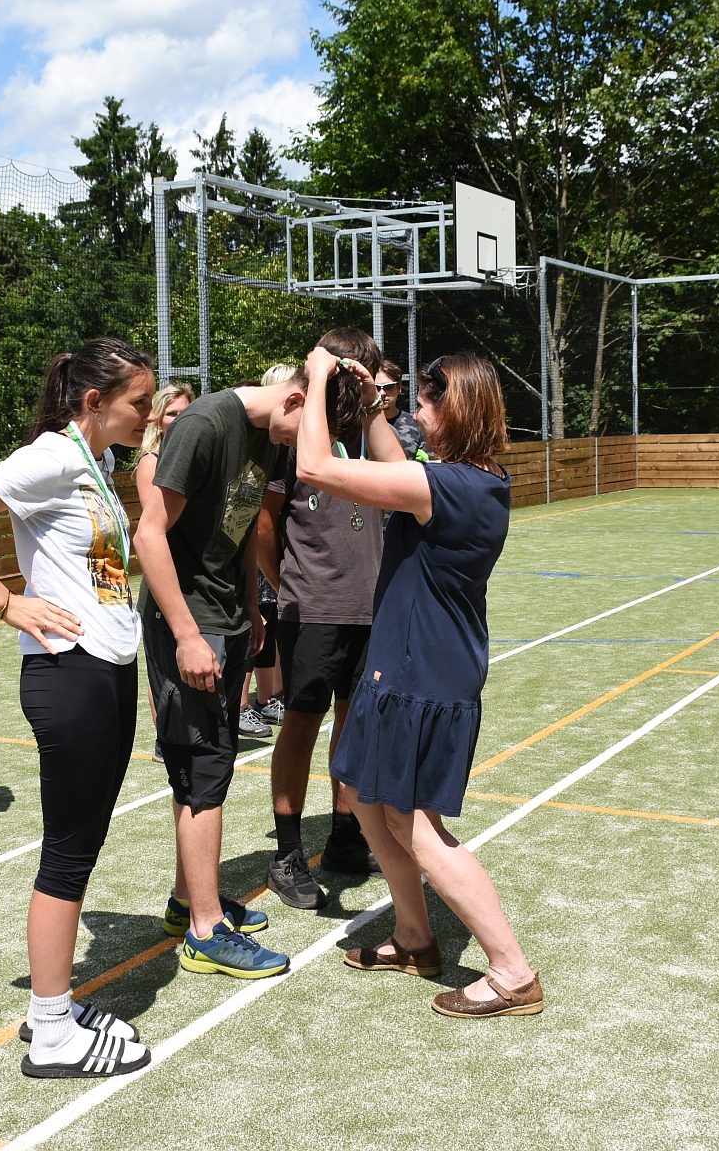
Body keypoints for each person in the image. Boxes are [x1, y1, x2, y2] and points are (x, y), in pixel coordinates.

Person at [0, 338, 156, 1079]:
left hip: (104, 667)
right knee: (69, 853)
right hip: (68, 674)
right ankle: (52, 1031)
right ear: (94, 402)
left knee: (82, 845)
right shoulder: (53, 457)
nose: (148, 414)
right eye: (139, 403)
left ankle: (54, 1006)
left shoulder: (98, 462)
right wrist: (4, 600)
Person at [296, 348, 543, 1018]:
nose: (414, 412)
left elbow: (314, 467)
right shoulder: (474, 479)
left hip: (421, 671)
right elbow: (394, 461)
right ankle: (413, 937)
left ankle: (513, 972)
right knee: (363, 794)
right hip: (410, 663)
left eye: (426, 403)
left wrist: (317, 380)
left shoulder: (447, 487)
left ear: (454, 411)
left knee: (417, 826)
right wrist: (369, 406)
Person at [132, 363, 352, 979]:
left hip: (228, 618)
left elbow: (243, 528)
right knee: (203, 770)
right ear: (293, 400)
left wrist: (253, 608)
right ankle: (205, 931)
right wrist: (186, 634)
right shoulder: (204, 423)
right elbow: (149, 536)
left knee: (210, 764)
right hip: (190, 622)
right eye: (307, 429)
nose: (305, 448)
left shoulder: (269, 434)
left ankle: (188, 901)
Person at [256, 330, 388, 911]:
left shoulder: (372, 432)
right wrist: (289, 585)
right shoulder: (295, 432)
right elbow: (264, 523)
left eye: (368, 374)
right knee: (301, 726)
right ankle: (287, 853)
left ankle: (345, 836)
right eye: (350, 373)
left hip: (370, 608)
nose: (359, 385)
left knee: (353, 725)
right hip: (312, 610)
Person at [235, 363, 300, 741]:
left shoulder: (277, 445)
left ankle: (263, 698)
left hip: (267, 557)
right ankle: (241, 704)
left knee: (265, 629)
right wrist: (280, 581)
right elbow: (251, 517)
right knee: (251, 629)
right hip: (255, 559)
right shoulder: (261, 447)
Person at [134, 381, 193, 761]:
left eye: (186, 411)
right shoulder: (150, 462)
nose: (180, 419)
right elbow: (157, 528)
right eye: (172, 413)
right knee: (164, 669)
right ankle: (165, 739)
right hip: (164, 578)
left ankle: (185, 734)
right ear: (157, 418)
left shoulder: (196, 454)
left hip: (193, 577)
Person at [376, 360, 429, 460]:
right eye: (376, 388)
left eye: (389, 387)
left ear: (399, 387)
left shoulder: (416, 425)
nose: (382, 393)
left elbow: (431, 464)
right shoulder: (361, 426)